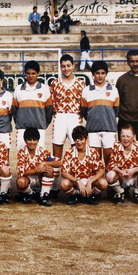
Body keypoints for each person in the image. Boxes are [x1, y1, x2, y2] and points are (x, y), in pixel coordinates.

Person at [49, 54, 85, 196]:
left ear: (73, 66)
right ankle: (54, 187)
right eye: (63, 66)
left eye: (68, 65)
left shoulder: (81, 83)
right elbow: (52, 104)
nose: (66, 68)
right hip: (60, 117)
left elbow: (84, 104)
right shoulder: (55, 83)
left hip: (75, 117)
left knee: (76, 152)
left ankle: (77, 185)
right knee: (57, 154)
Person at [80, 61, 119, 164]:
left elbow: (115, 110)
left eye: (103, 73)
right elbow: (84, 111)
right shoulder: (86, 91)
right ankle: (97, 180)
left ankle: (109, 179)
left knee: (109, 159)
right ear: (93, 75)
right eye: (97, 73)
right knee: (95, 160)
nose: (100, 76)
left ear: (106, 74)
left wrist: (107, 119)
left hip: (109, 129)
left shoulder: (114, 90)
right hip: (93, 130)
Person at [60, 126, 108, 205]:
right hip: (75, 181)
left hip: (90, 181)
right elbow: (64, 172)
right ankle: (76, 194)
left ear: (86, 139)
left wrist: (90, 181)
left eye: (81, 139)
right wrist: (78, 181)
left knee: (103, 183)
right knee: (64, 184)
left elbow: (101, 170)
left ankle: (91, 194)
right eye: (76, 139)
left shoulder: (93, 152)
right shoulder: (69, 152)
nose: (79, 142)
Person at [13, 60, 53, 150]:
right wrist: (20, 122)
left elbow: (49, 110)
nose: (30, 76)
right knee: (22, 156)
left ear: (38, 73)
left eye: (33, 73)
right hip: (22, 129)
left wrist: (43, 124)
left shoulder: (45, 89)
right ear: (25, 74)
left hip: (39, 128)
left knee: (39, 155)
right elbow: (14, 110)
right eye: (28, 73)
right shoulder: (18, 89)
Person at [106, 125, 138, 204]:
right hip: (122, 177)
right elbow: (111, 164)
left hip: (135, 177)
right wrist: (121, 172)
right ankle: (120, 192)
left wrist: (134, 170)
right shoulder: (116, 145)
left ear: (134, 136)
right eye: (123, 136)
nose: (125, 139)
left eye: (128, 136)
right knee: (110, 175)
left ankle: (137, 192)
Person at [16, 127, 61, 206]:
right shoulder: (22, 152)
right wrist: (36, 170)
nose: (32, 142)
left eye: (34, 140)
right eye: (29, 140)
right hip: (28, 179)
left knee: (49, 169)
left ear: (38, 140)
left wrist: (44, 163)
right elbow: (21, 172)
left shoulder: (42, 151)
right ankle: (31, 193)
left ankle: (43, 196)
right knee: (20, 182)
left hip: (40, 178)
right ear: (25, 141)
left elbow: (59, 162)